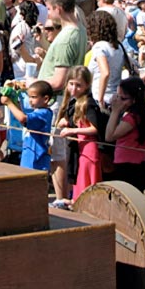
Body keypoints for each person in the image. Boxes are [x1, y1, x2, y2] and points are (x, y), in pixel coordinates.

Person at [36, 0, 88, 202]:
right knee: (61, 152)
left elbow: (58, 80)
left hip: (56, 100)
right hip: (65, 99)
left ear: (58, 8)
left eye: (49, 9)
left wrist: (32, 83)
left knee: (58, 154)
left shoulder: (67, 37)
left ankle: (60, 198)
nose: (47, 13)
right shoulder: (79, 30)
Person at [56, 66, 100, 198]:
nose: (74, 89)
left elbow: (94, 128)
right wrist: (65, 122)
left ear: (87, 86)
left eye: (79, 85)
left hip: (89, 149)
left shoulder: (88, 103)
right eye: (71, 84)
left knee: (87, 179)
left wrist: (71, 130)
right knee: (78, 177)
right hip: (79, 148)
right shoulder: (73, 102)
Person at [106, 76, 145, 195]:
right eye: (117, 96)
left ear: (134, 99)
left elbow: (109, 136)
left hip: (127, 167)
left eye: (123, 98)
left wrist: (115, 111)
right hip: (139, 164)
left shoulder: (132, 118)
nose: (118, 101)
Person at [2, 80, 54, 175]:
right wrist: (14, 101)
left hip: (36, 159)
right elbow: (22, 115)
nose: (30, 100)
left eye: (33, 97)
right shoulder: (37, 111)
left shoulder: (43, 113)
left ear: (46, 99)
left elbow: (23, 118)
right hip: (29, 155)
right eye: (29, 97)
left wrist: (9, 104)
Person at [86, 10, 124, 110]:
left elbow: (105, 72)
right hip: (116, 98)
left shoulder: (99, 47)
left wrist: (100, 99)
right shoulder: (118, 47)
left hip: (101, 99)